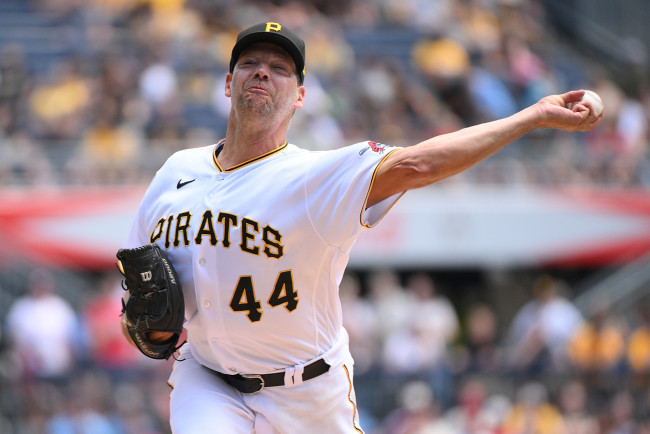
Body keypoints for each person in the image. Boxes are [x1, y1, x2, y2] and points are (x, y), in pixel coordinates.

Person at [120, 21, 604, 433]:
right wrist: (141, 327)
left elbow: (419, 164)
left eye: (281, 67)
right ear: (228, 84)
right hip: (208, 379)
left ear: (300, 97)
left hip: (307, 392)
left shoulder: (315, 177)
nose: (263, 71)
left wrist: (533, 116)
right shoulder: (174, 173)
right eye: (250, 63)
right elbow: (136, 297)